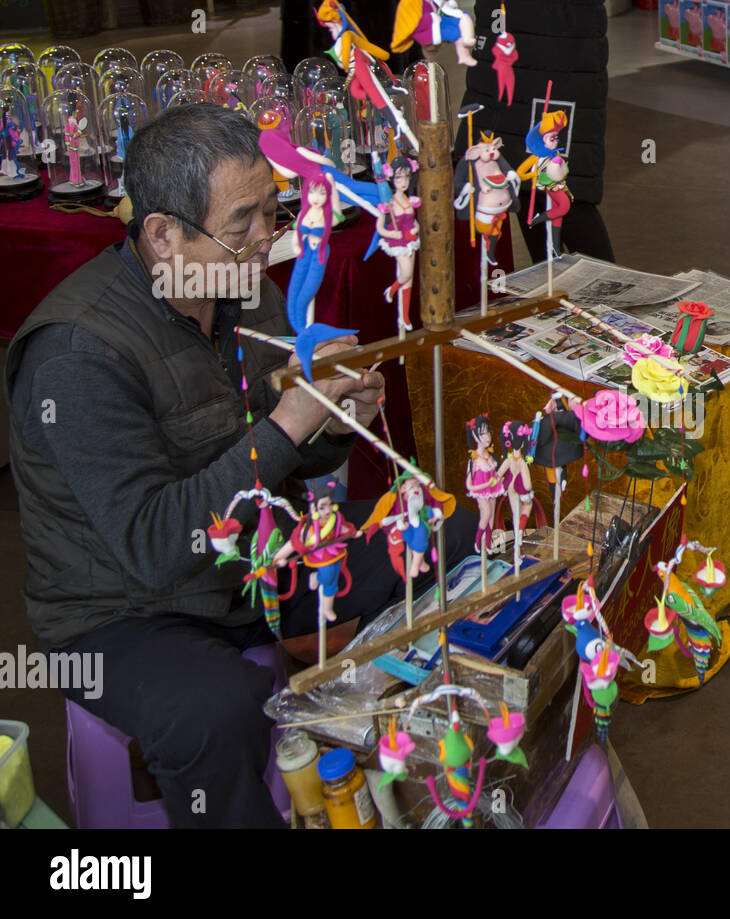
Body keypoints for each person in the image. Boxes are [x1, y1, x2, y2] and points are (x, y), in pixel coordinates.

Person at [4, 104, 476, 828]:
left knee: (443, 526)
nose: (266, 239)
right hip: (121, 610)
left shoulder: (235, 290)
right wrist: (291, 421)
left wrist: (338, 413)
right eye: (242, 222)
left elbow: (282, 457)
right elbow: (158, 546)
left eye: (273, 211)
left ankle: (385, 756)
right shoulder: (76, 354)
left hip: (248, 554)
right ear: (163, 234)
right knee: (216, 711)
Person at [454, 0, 615, 264]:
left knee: (565, 187)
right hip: (506, 38)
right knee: (520, 179)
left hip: (557, 44)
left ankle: (607, 296)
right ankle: (551, 290)